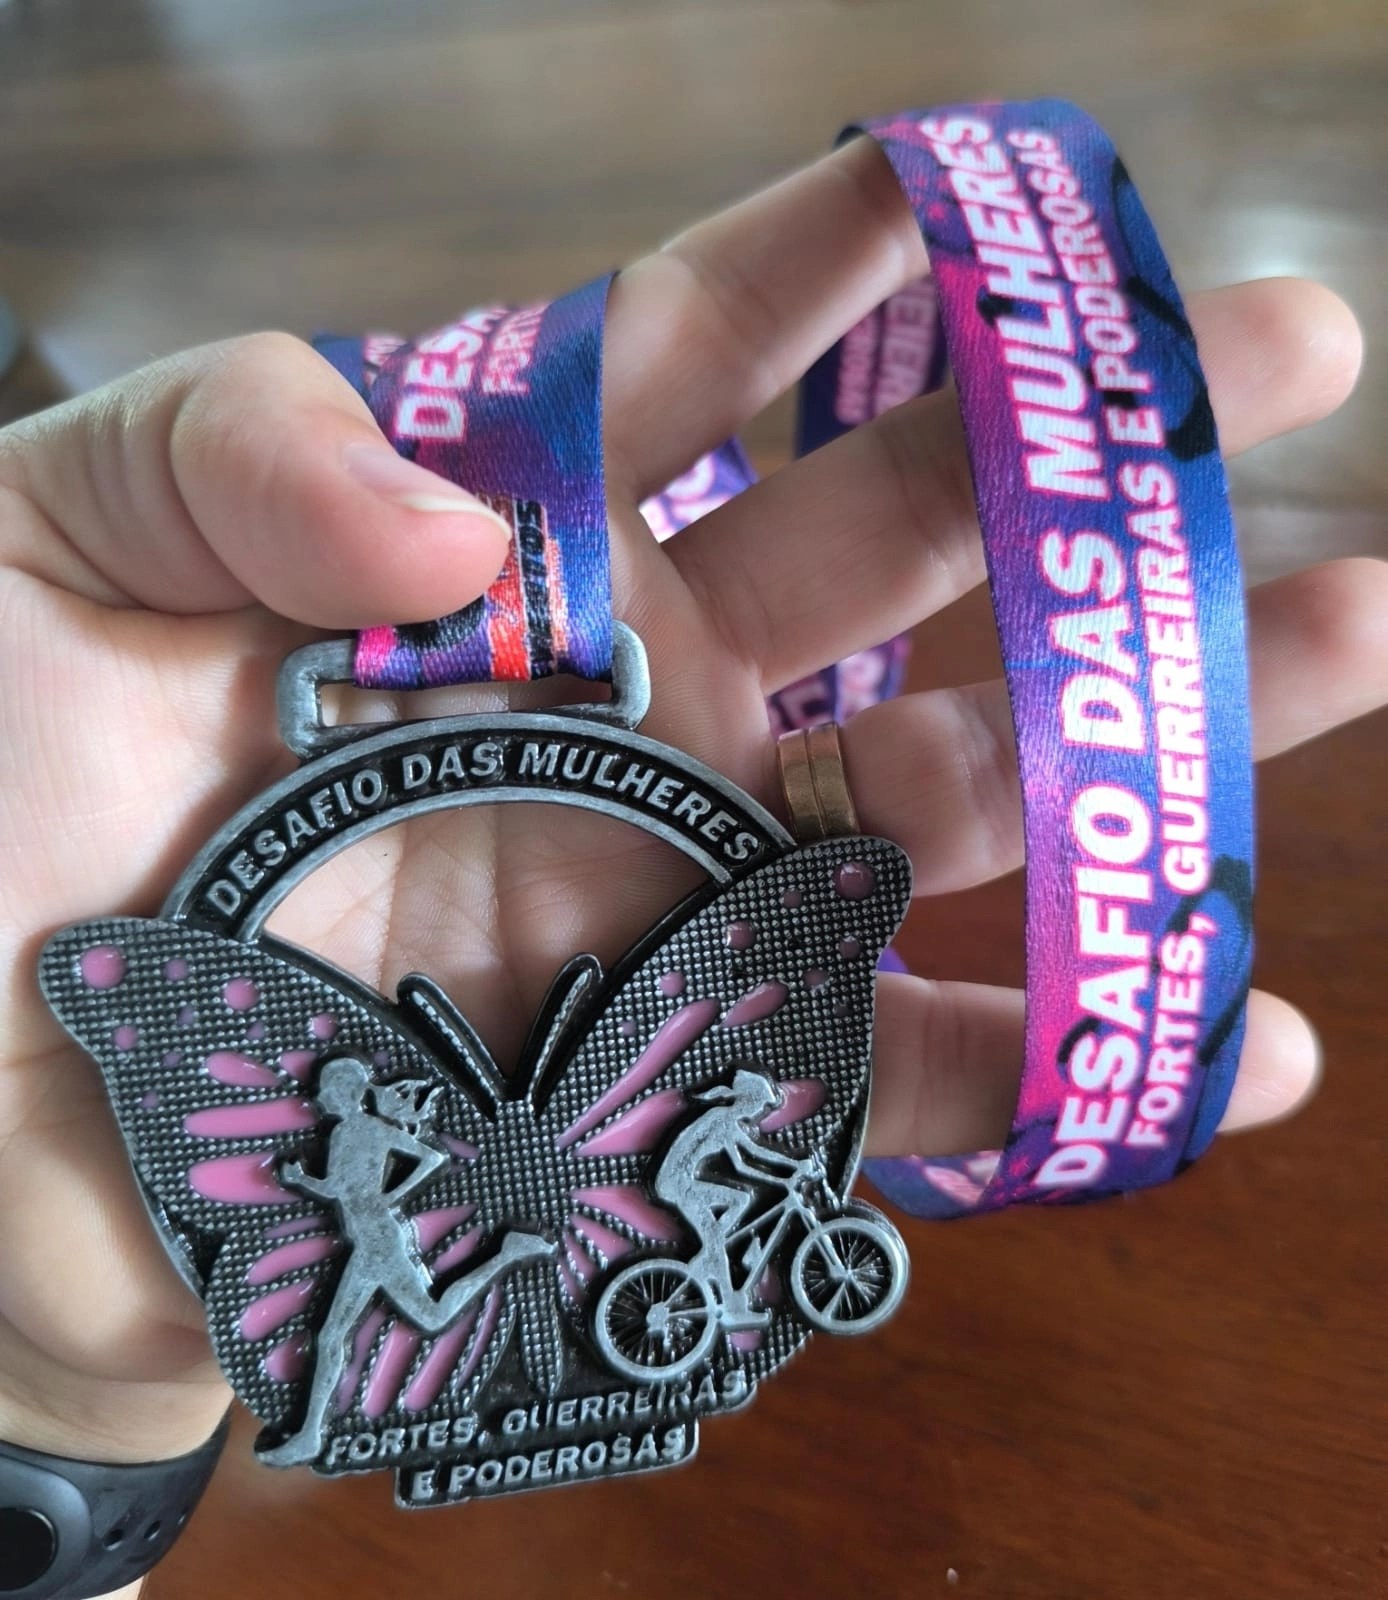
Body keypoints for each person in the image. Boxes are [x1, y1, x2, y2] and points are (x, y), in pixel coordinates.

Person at [0, 136, 1382, 1594]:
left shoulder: (381, 1116)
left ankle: (452, 1359)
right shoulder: (381, 1130)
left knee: (395, 1307)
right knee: (391, 1305)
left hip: (441, 1241)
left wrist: (53, 1399)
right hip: (418, 1238)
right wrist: (41, 1375)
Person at [260, 1057, 552, 1468]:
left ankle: (507, 1253)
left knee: (424, 1319)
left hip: (380, 1243)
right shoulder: (345, 1132)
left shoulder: (365, 1129)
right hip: (368, 1243)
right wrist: (300, 1181)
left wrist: (391, 1196)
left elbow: (431, 1158)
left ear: (347, 1091)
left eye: (327, 1088)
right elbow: (339, 1190)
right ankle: (310, 1435)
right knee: (336, 1335)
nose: (319, 1096)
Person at [652, 1068, 814, 1323]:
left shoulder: (728, 1120)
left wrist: (794, 1165)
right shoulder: (721, 1119)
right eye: (760, 1104)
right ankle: (718, 1263)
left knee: (723, 1233)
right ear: (748, 1101)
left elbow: (755, 1153)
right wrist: (783, 1179)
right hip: (677, 1182)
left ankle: (718, 1268)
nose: (761, 1110)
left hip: (681, 1181)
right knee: (738, 1203)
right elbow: (743, 1166)